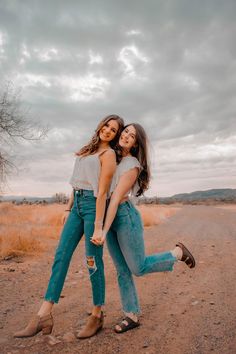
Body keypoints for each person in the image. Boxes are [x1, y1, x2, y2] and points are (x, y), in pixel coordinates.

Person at [14, 114, 124, 339]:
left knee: (92, 261)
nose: (108, 131)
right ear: (100, 125)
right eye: (107, 125)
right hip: (76, 206)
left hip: (94, 208)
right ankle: (44, 314)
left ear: (115, 136)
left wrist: (98, 226)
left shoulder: (109, 154)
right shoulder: (87, 150)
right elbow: (76, 183)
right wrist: (68, 208)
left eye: (113, 130)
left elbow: (102, 192)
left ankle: (97, 314)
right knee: (61, 256)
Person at [91, 123, 195, 333]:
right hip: (107, 219)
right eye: (126, 131)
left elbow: (114, 200)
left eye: (133, 135)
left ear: (137, 143)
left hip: (124, 218)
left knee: (137, 268)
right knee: (122, 270)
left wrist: (101, 228)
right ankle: (131, 314)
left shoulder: (131, 164)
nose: (127, 136)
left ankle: (176, 253)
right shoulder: (111, 156)